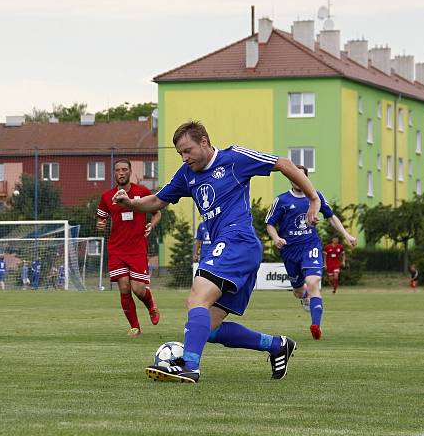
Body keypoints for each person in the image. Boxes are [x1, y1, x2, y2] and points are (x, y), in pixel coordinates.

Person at [114, 120, 318, 383]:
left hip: (238, 240)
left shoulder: (234, 158)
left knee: (196, 300)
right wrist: (131, 202)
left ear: (204, 142)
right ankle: (277, 345)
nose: (184, 158)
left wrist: (313, 198)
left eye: (188, 151)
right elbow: (156, 201)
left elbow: (284, 164)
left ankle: (189, 367)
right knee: (206, 328)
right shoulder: (186, 175)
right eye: (180, 154)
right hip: (234, 248)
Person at [265, 165, 357, 341]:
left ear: (306, 179)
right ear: (290, 179)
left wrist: (346, 235)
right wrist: (276, 238)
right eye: (295, 176)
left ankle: (316, 326)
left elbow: (331, 217)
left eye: (302, 176)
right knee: (299, 291)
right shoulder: (282, 200)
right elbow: (270, 224)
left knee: (313, 281)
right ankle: (304, 297)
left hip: (310, 245)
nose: (298, 180)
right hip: (290, 250)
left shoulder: (316, 196)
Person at [97, 159, 162, 336]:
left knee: (138, 289)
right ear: (115, 173)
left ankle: (151, 306)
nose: (121, 172)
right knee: (124, 287)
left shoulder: (142, 192)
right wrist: (100, 224)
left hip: (137, 248)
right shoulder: (107, 197)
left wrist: (152, 225)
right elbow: (100, 219)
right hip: (117, 249)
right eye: (118, 170)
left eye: (124, 169)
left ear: (130, 171)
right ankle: (135, 327)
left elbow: (157, 211)